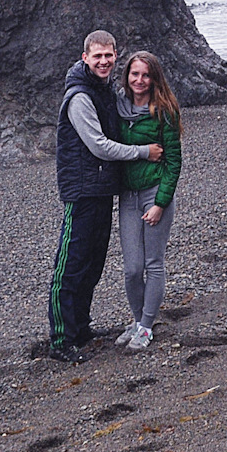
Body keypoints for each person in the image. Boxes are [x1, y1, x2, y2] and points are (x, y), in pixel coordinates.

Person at [48, 30, 161, 362]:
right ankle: (60, 339)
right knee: (70, 265)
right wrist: (143, 152)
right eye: (97, 56)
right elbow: (98, 144)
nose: (104, 61)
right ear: (85, 58)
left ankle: (81, 328)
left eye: (108, 56)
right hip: (81, 191)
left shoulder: (104, 89)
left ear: (115, 56)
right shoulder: (80, 96)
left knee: (92, 263)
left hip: (100, 188)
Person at [111, 50, 183, 352]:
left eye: (145, 75)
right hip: (128, 196)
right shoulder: (118, 107)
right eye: (134, 74)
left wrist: (160, 203)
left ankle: (146, 325)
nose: (139, 80)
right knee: (131, 268)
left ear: (154, 78)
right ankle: (139, 319)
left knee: (153, 263)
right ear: (127, 76)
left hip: (155, 194)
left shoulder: (164, 111)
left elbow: (174, 162)